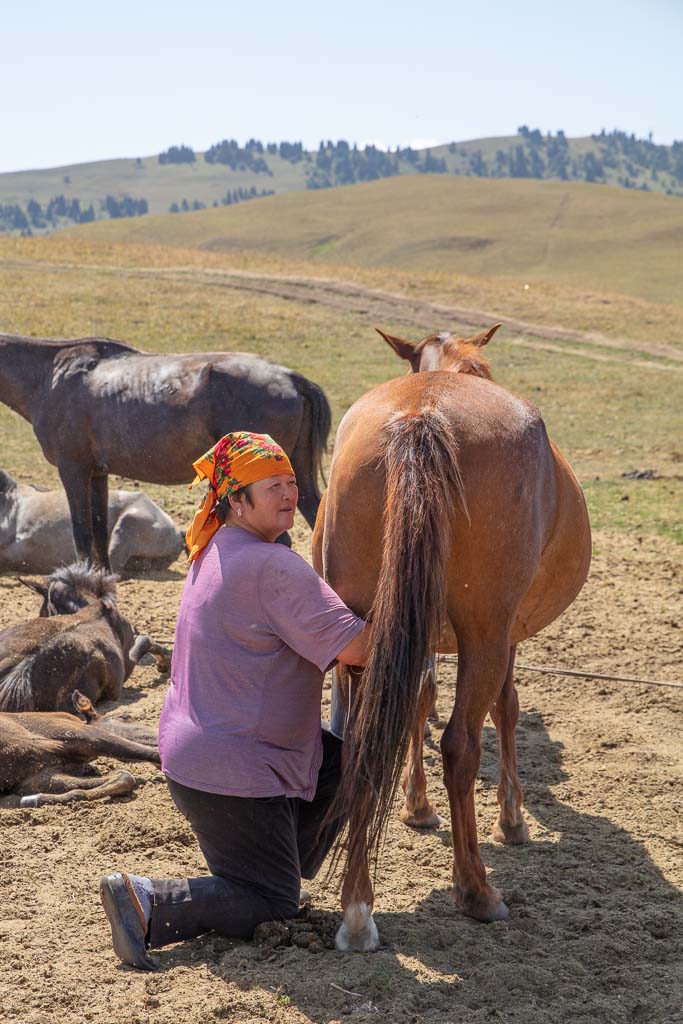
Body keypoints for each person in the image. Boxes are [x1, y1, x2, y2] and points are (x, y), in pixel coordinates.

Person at [99, 431, 369, 970]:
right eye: (271, 486)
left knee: (348, 765)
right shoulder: (274, 567)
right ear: (236, 501)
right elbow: (358, 649)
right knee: (271, 903)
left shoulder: (215, 549)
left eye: (292, 482)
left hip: (200, 757)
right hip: (239, 771)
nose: (289, 494)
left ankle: (274, 866)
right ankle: (147, 900)